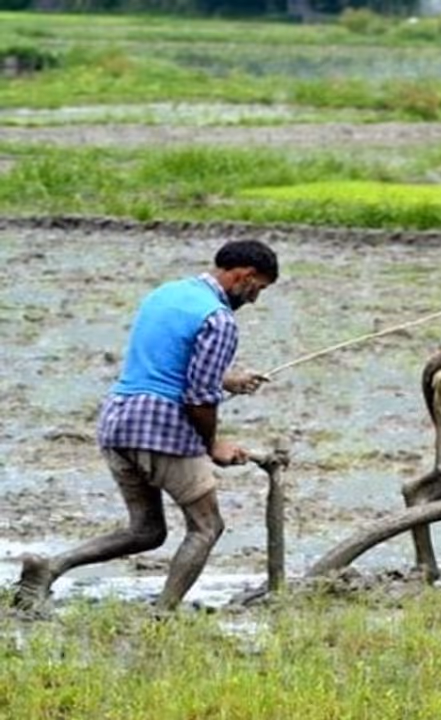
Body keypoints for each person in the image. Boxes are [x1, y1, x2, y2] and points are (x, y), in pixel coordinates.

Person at [12, 239, 280, 613]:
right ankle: (163, 614)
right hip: (159, 428)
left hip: (117, 421)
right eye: (259, 289)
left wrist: (229, 379)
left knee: (147, 531)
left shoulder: (166, 294)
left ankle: (51, 567)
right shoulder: (219, 319)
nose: (255, 300)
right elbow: (198, 397)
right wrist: (212, 445)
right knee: (207, 527)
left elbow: (167, 361)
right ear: (245, 276)